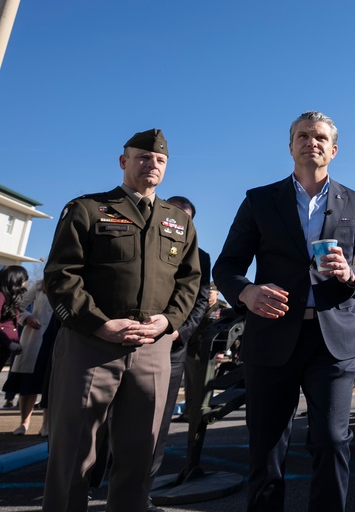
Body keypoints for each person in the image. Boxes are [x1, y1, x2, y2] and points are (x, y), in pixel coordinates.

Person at [214, 110, 355, 512]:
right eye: (304, 136)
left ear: (334, 149)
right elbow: (226, 267)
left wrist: (350, 273)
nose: (313, 142)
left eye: (321, 137)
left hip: (332, 343)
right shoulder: (259, 200)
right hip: (271, 337)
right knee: (267, 447)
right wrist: (248, 293)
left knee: (331, 441)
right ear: (290, 146)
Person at [42, 128, 201, 512]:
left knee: (139, 454)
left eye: (160, 160)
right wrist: (98, 323)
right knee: (74, 452)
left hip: (151, 349)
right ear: (123, 161)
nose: (153, 164)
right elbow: (61, 275)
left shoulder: (178, 220)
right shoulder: (88, 209)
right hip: (91, 344)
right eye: (144, 157)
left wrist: (167, 322)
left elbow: (189, 281)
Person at [147, 196, 212, 509]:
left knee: (158, 421)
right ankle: (93, 479)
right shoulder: (144, 240)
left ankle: (140, 489)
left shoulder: (201, 256)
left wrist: (178, 331)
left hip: (171, 344)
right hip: (128, 339)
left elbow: (200, 301)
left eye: (183, 218)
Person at [4, 279, 56, 436]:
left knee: (52, 384)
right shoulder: (41, 284)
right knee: (28, 383)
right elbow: (18, 307)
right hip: (38, 334)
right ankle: (23, 423)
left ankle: (46, 425)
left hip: (59, 336)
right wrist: (27, 318)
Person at [0, 265, 28, 376]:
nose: (24, 284)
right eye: (23, 280)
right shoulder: (1, 296)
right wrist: (8, 342)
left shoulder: (10, 298)